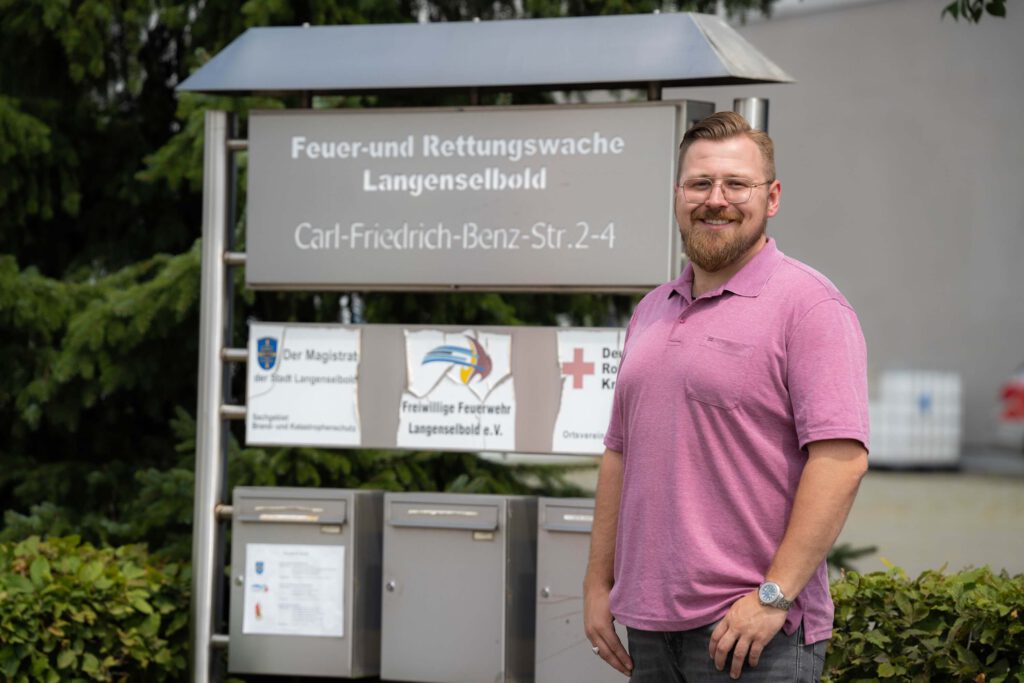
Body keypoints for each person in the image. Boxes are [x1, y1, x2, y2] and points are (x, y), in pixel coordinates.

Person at [583, 111, 869, 682]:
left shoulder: (810, 305)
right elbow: (619, 453)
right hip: (649, 629)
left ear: (772, 197)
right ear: (678, 195)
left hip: (755, 636)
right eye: (700, 183)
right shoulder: (652, 310)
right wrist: (597, 582)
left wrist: (774, 595)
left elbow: (841, 460)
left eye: (736, 184)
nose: (716, 199)